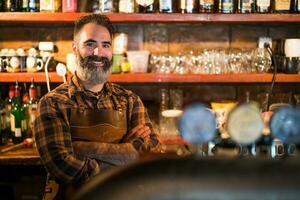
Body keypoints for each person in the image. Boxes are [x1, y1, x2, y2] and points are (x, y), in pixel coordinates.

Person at [34, 14, 160, 199]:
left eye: (105, 45)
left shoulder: (129, 101)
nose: (98, 53)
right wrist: (126, 154)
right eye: (90, 44)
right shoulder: (53, 103)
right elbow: (62, 167)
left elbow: (150, 154)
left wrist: (83, 149)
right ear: (75, 48)